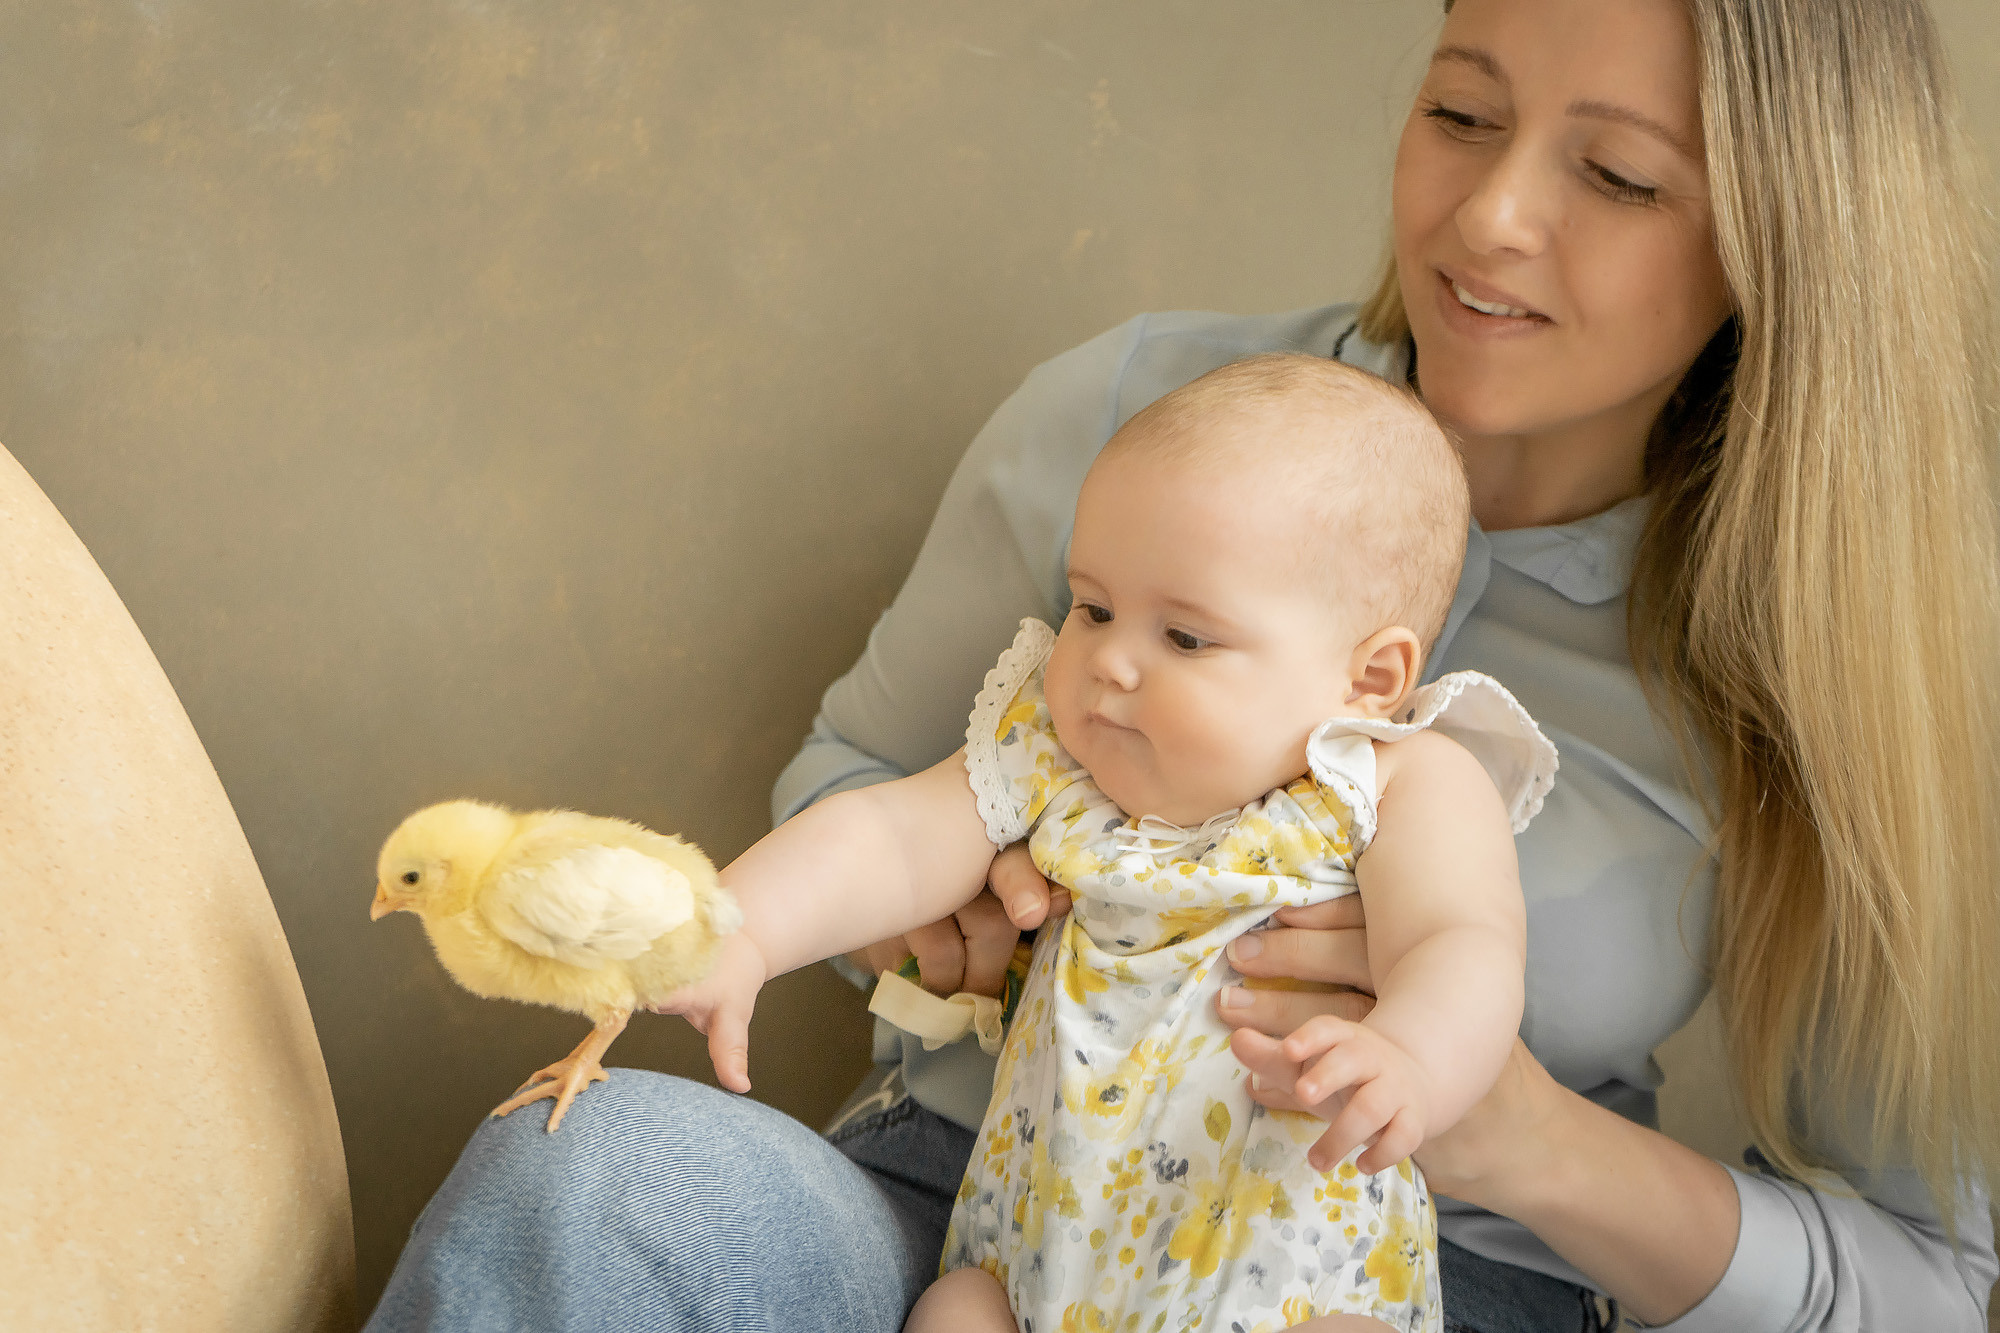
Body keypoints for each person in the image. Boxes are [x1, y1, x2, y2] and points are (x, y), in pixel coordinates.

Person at [364, 0, 1999, 1329]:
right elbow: (869, 793)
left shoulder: (1824, 677)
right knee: (590, 1172)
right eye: (1462, 112)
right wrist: (925, 924)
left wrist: (1516, 1125)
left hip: (1374, 1273)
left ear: (1779, 242)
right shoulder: (1135, 424)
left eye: (1623, 177)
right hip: (987, 1209)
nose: (1491, 216)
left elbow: (1933, 1282)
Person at [660, 354, 1559, 1332]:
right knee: (956, 1311)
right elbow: (890, 838)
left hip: (1280, 1278)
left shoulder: (1392, 779)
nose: (1108, 662)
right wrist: (739, 930)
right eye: (1091, 607)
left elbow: (1460, 942)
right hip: (1041, 1268)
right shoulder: (1052, 755)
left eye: (1184, 638)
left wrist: (1413, 1059)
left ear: (1369, 679)